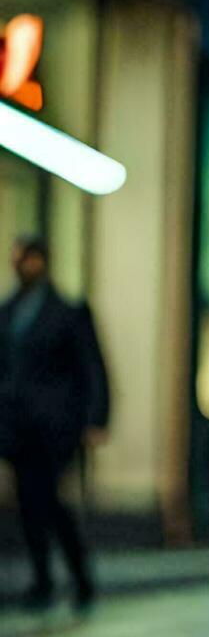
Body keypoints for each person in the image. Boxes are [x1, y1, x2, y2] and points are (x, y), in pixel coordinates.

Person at [0, 237, 109, 609]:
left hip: (55, 424)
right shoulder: (9, 311)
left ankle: (78, 575)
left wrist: (95, 419)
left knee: (48, 499)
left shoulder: (68, 312)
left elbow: (92, 369)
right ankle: (44, 579)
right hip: (16, 425)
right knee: (29, 502)